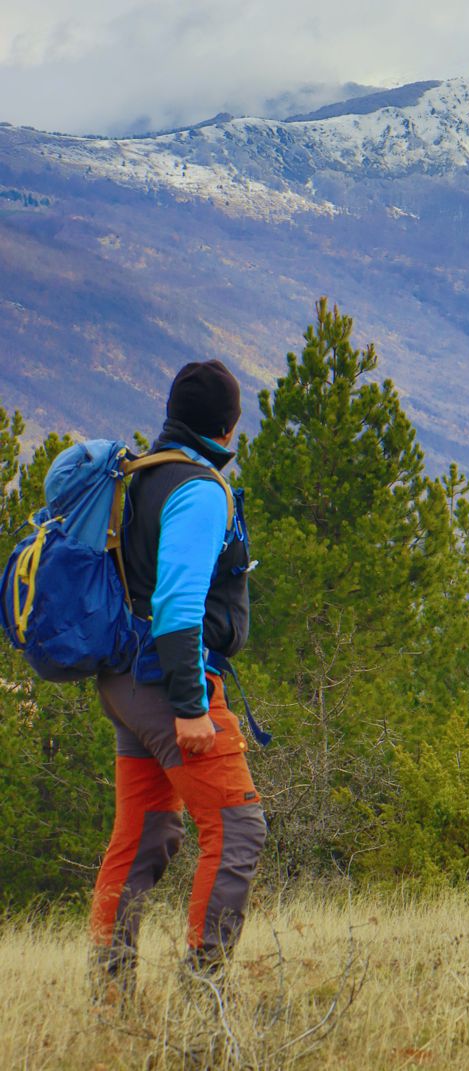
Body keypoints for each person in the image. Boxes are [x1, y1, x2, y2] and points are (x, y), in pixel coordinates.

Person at [90, 359, 266, 1001]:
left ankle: (109, 995)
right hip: (168, 687)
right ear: (228, 424)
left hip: (125, 682)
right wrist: (192, 704)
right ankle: (201, 1002)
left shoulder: (143, 475)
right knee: (239, 828)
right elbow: (178, 603)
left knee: (145, 834)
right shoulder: (197, 489)